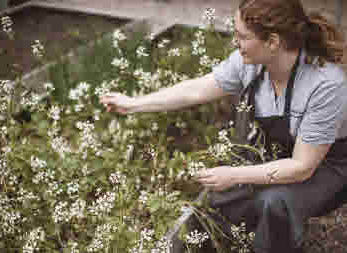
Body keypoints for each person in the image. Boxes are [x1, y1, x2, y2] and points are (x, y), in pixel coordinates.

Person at [100, 0, 347, 252]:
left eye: (242, 36)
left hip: (328, 168)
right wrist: (133, 104)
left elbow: (302, 167)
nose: (234, 42)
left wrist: (234, 174)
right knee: (222, 201)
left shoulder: (325, 85)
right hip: (281, 156)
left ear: (273, 42)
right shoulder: (251, 64)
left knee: (274, 204)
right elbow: (195, 90)